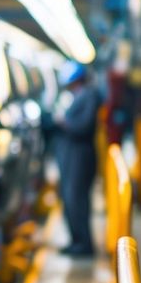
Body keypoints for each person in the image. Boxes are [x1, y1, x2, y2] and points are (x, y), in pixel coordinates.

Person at [53, 61, 100, 256]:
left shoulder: (90, 95)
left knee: (77, 198)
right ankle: (76, 240)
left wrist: (65, 122)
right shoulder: (77, 95)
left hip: (81, 155)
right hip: (72, 155)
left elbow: (85, 125)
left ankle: (84, 244)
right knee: (69, 197)